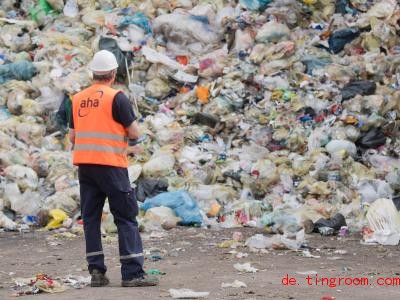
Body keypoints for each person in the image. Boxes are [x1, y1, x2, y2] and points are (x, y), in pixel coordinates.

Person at [69, 50, 158, 288]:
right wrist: (131, 147)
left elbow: (73, 136)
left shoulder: (77, 99)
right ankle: (132, 274)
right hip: (111, 166)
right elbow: (134, 133)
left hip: (85, 167)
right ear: (113, 73)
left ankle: (97, 273)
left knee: (90, 219)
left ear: (93, 73)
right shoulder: (116, 97)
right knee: (126, 217)